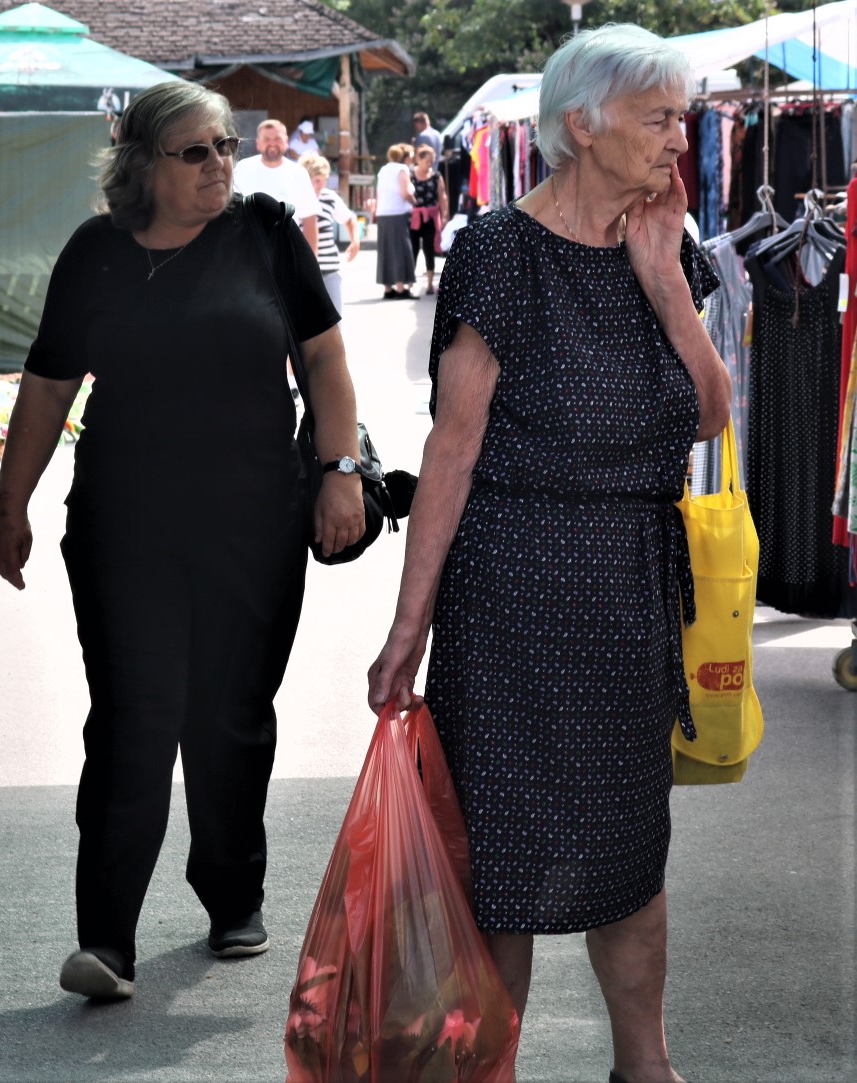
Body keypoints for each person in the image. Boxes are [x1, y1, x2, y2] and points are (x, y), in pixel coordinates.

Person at [366, 23, 731, 1083]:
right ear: (583, 124)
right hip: (513, 592)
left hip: (626, 591)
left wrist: (665, 283)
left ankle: (644, 1067)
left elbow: (710, 418)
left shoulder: (671, 242)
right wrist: (407, 628)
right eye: (660, 116)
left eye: (682, 114)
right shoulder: (497, 249)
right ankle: (492, 1067)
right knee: (504, 862)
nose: (681, 137)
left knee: (630, 852)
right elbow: (454, 446)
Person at [0, 79, 365, 1001]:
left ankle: (231, 892)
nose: (217, 167)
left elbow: (321, 357)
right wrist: (12, 502)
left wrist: (340, 469)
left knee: (230, 710)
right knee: (132, 714)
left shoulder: (266, 234)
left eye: (224, 147)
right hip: (125, 523)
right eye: (194, 151)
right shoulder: (96, 253)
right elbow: (47, 384)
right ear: (142, 164)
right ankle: (105, 937)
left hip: (255, 518)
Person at [234, 118, 320, 253]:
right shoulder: (242, 169)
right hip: (247, 253)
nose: (272, 143)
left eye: (277, 139)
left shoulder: (298, 173)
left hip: (286, 253)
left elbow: (309, 220)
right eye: (266, 139)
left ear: (286, 142)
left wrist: (312, 265)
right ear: (258, 143)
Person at [299, 153, 359, 311]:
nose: (321, 185)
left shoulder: (329, 197)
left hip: (330, 269)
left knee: (336, 320)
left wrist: (355, 242)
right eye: (317, 180)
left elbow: (349, 219)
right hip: (302, 272)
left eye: (324, 179)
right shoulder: (294, 199)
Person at [372, 144, 416, 299]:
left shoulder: (383, 169)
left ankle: (387, 287)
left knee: (386, 249)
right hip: (398, 212)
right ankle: (400, 287)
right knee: (400, 249)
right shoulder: (402, 169)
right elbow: (405, 193)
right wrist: (414, 202)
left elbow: (378, 192)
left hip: (383, 212)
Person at [408, 145, 447, 296]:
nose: (430, 164)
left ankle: (430, 284)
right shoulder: (410, 175)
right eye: (427, 161)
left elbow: (442, 196)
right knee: (413, 249)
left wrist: (444, 215)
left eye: (432, 161)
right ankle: (410, 282)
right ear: (419, 159)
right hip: (414, 218)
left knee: (429, 250)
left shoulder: (436, 176)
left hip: (430, 217)